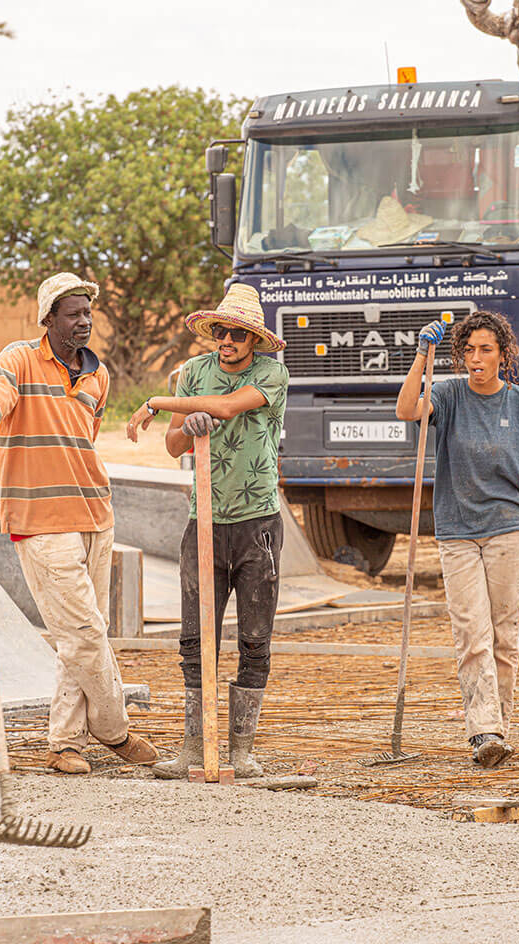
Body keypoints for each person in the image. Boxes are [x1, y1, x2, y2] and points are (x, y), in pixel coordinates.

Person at [0, 272, 158, 774]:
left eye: (88, 314)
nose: (84, 322)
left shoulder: (99, 375)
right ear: (47, 319)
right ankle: (114, 729)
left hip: (95, 511)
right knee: (84, 632)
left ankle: (64, 742)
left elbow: (78, 443)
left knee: (84, 633)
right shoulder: (19, 359)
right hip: (42, 520)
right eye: (72, 314)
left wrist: (10, 490)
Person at [127, 283, 288, 778]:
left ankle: (241, 748)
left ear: (254, 339)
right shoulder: (195, 372)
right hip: (204, 522)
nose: (228, 340)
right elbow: (175, 447)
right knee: (196, 638)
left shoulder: (271, 372)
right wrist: (183, 423)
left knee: (255, 637)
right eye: (222, 331)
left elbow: (227, 407)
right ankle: (195, 748)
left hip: (256, 522)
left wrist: (156, 403)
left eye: (238, 333)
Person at [396, 311, 519, 767]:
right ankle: (484, 729)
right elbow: (408, 410)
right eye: (468, 350)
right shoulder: (447, 394)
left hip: (511, 527)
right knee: (472, 631)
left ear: (504, 354)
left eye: (486, 349)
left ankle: (497, 727)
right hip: (456, 529)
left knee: (504, 635)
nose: (476, 358)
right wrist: (421, 356)